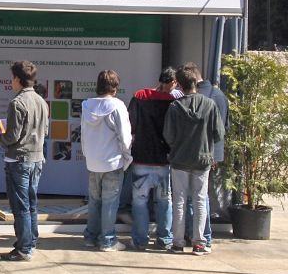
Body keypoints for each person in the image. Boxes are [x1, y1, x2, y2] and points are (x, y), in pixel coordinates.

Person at [163, 64, 225, 256]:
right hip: (202, 159)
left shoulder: (174, 106)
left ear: (180, 86)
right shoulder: (210, 104)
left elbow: (168, 135)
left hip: (179, 159)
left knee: (179, 201)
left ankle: (177, 243)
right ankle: (199, 243)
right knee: (199, 200)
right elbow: (219, 133)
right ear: (196, 83)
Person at [0, 61, 49, 261]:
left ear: (18, 79)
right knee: (31, 203)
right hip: (36, 158)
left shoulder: (17, 103)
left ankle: (24, 248)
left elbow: (12, 136)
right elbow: (45, 131)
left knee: (20, 206)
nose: (11, 82)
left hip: (18, 159)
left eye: (12, 78)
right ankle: (30, 241)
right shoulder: (41, 101)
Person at [81, 70, 132, 252]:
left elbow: (83, 134)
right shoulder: (118, 106)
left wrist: (87, 155)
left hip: (93, 161)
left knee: (94, 201)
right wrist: (127, 156)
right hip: (112, 161)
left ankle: (91, 236)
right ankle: (108, 240)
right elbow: (125, 136)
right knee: (110, 202)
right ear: (115, 87)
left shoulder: (86, 105)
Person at [128, 67, 178, 251]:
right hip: (163, 160)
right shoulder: (173, 103)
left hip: (141, 157)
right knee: (164, 202)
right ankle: (164, 239)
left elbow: (130, 125)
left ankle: (140, 240)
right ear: (173, 83)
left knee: (139, 202)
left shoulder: (139, 96)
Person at [184, 62, 230, 247]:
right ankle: (203, 236)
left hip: (194, 153)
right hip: (212, 152)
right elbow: (224, 126)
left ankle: (197, 235)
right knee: (203, 196)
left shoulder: (194, 97)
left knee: (193, 197)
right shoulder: (219, 95)